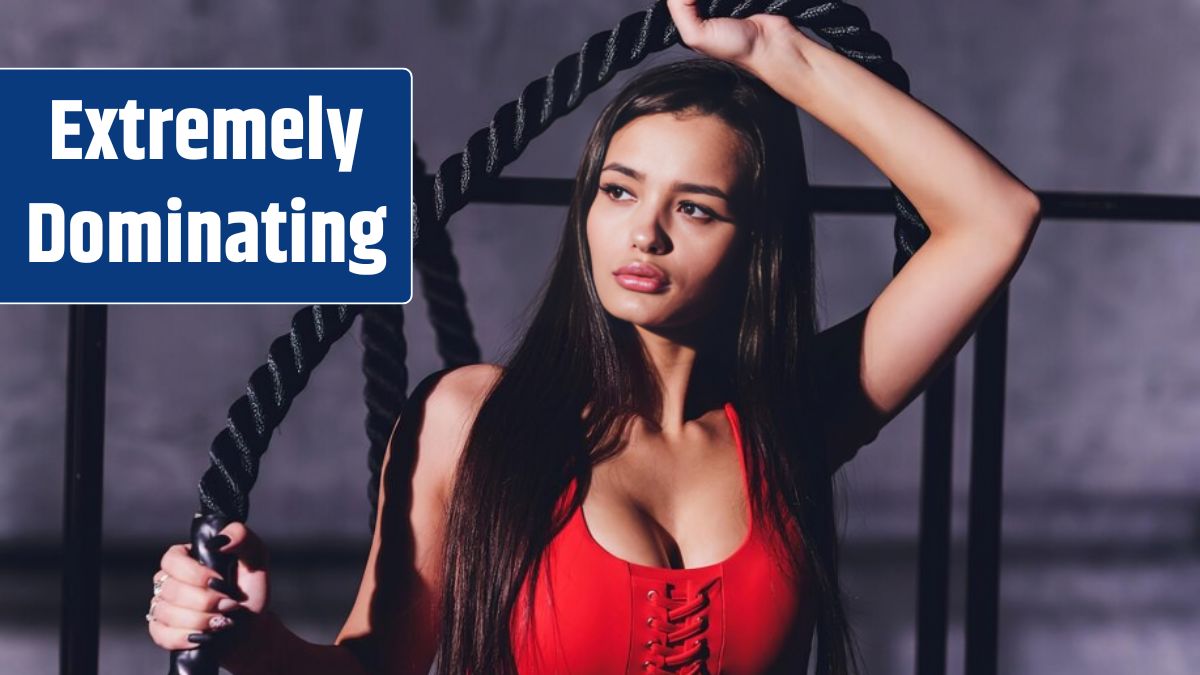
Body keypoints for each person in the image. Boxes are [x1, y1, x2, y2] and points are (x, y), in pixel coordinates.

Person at [146, 1, 1041, 672]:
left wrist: (779, 55)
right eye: (619, 191)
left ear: (756, 245)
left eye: (694, 207)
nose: (642, 235)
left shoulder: (795, 418)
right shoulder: (472, 418)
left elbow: (995, 217)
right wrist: (253, 642)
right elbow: (377, 666)